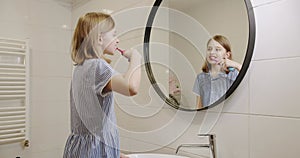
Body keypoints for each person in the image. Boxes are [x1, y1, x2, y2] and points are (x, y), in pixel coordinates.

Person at [63, 12, 141, 158]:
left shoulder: (80, 68)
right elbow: (131, 87)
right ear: (99, 38)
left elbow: (90, 126)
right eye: (114, 35)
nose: (117, 40)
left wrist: (116, 153)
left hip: (79, 149)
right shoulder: (98, 66)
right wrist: (136, 59)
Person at [193, 35, 241, 109]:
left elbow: (250, 83)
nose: (212, 52)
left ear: (227, 54)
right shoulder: (201, 78)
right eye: (209, 49)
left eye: (217, 49)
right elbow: (199, 106)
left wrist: (236, 65)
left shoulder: (233, 74)